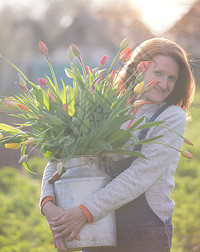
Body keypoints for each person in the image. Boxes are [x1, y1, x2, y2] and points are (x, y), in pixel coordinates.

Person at [40, 37, 195, 252]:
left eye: (172, 78)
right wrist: (48, 205)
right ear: (137, 68)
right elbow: (61, 156)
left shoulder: (171, 116)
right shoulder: (102, 105)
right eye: (158, 73)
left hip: (143, 232)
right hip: (95, 227)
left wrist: (85, 211)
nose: (165, 84)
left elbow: (140, 175)